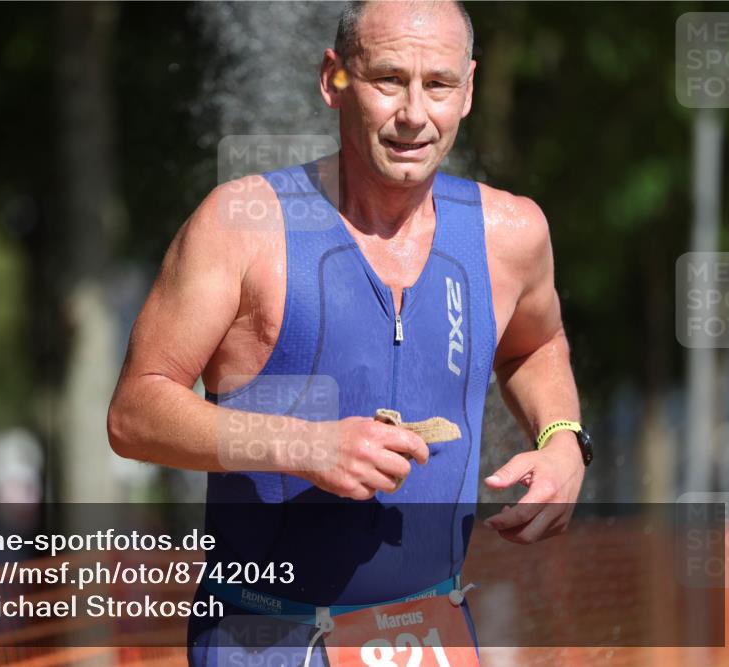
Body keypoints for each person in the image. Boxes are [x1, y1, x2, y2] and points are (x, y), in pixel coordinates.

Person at [108, 1, 589, 664]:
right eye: (389, 79)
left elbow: (536, 344)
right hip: (268, 637)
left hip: (433, 634)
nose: (416, 114)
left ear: (470, 89)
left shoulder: (511, 234)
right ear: (333, 77)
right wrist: (303, 445)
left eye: (440, 85)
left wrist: (563, 439)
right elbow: (135, 411)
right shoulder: (242, 225)